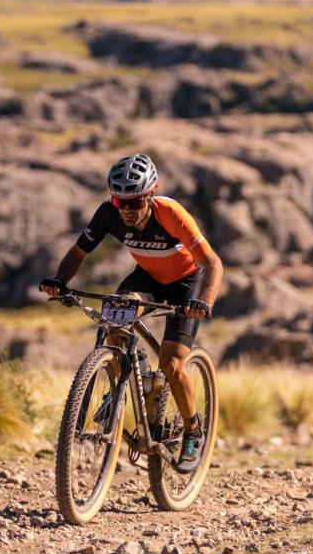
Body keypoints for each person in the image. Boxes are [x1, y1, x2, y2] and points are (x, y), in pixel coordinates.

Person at [39, 153, 224, 471]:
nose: (126, 209)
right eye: (119, 201)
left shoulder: (171, 214)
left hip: (186, 285)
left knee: (172, 363)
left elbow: (213, 263)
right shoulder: (108, 214)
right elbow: (78, 253)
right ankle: (126, 377)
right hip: (147, 279)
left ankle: (193, 430)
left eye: (135, 202)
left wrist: (204, 301)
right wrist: (59, 281)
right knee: (115, 315)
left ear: (150, 196)